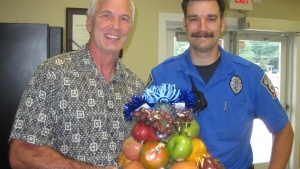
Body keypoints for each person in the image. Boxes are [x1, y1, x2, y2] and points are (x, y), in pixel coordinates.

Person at [147, 0, 294, 168]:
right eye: (194, 19)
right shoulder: (161, 76)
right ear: (184, 24)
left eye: (211, 18)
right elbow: (144, 140)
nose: (202, 28)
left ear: (222, 24)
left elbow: (283, 131)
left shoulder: (250, 76)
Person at [8, 0, 144, 168]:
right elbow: (20, 154)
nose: (116, 25)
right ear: (89, 22)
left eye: (124, 18)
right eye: (107, 15)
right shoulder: (53, 73)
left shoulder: (136, 86)